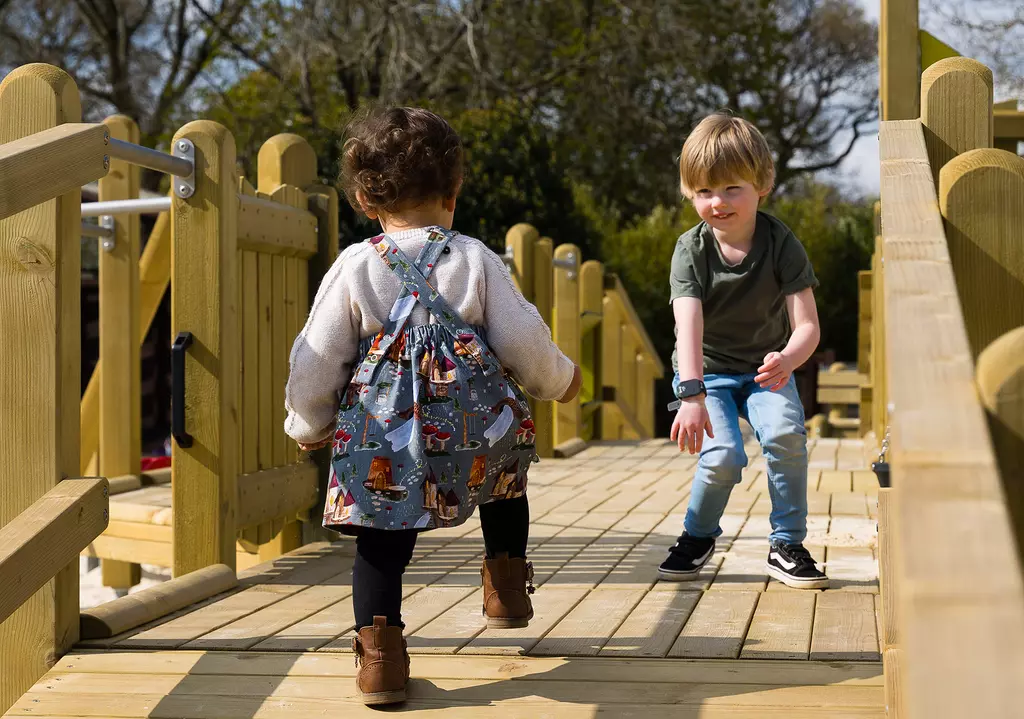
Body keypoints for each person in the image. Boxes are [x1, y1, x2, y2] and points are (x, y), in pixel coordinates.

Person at [284, 106, 581, 705]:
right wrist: (559, 380)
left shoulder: (355, 266)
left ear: (366, 199)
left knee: (380, 539)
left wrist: (309, 421)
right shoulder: (473, 259)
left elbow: (317, 355)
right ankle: (505, 585)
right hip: (474, 429)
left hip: (386, 437)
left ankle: (381, 662)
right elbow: (522, 338)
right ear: (454, 192)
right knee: (505, 483)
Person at [659, 113, 829, 591]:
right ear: (689, 193)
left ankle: (787, 543)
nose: (718, 202)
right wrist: (690, 395)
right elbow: (686, 326)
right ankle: (697, 536)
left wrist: (790, 360)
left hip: (765, 369)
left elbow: (808, 325)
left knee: (785, 436)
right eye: (704, 191)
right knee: (724, 456)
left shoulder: (781, 244)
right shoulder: (690, 250)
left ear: (763, 184)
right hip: (705, 372)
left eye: (732, 188)